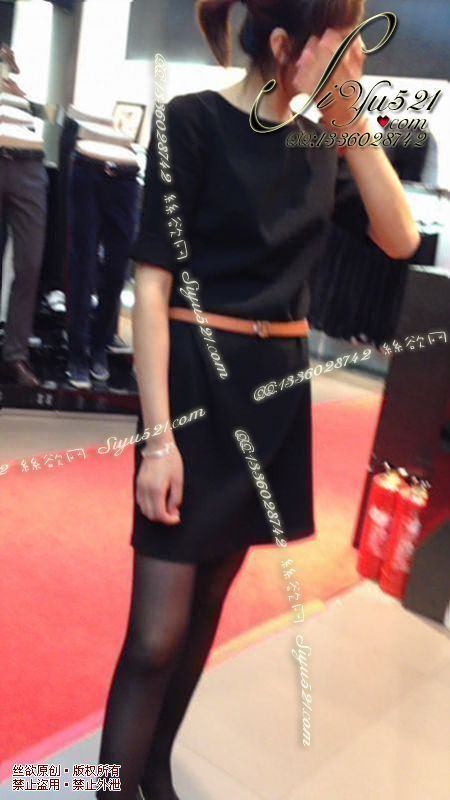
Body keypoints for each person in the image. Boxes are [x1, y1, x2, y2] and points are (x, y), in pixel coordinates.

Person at [95, 1, 420, 798]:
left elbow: (400, 237)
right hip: (193, 389)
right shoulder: (191, 122)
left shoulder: (323, 142)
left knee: (207, 608)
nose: (357, 59)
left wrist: (351, 120)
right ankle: (108, 786)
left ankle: (154, 771)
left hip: (272, 398)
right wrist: (159, 440)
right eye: (342, 43)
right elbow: (151, 285)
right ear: (284, 44)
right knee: (155, 634)